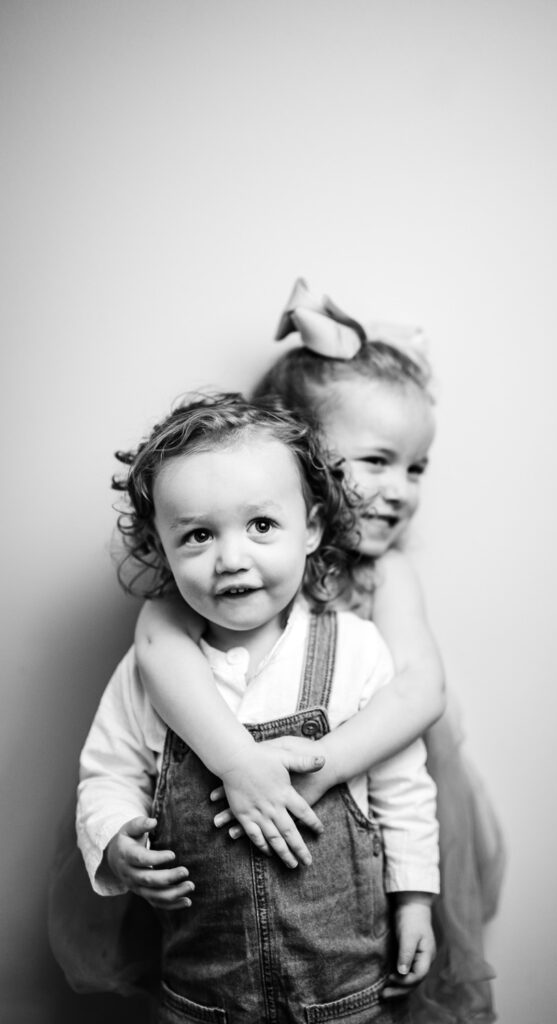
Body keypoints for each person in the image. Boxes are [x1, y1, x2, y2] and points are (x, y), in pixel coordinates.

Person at [135, 280, 505, 1022]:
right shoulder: (235, 563)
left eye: (415, 468)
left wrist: (315, 771)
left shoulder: (382, 572)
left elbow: (417, 692)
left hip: (369, 795)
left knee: (367, 980)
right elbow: (156, 642)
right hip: (226, 826)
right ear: (298, 455)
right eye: (376, 460)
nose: (398, 491)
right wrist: (239, 764)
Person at [77, 392, 440, 1023]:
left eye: (262, 526)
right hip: (202, 994)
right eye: (196, 535)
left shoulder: (355, 649)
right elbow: (108, 772)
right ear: (162, 551)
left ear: (313, 530)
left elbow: (402, 786)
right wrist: (113, 839)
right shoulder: (152, 673)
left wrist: (415, 899)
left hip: (343, 990)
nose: (232, 558)